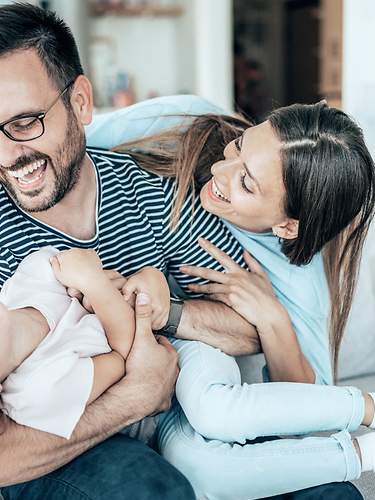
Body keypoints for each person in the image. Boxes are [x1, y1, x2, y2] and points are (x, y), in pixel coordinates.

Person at [0, 4, 366, 500]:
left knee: (328, 494)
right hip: (61, 446)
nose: (7, 155)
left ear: (81, 103)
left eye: (25, 123)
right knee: (146, 486)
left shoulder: (152, 194)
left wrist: (167, 312)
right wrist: (134, 396)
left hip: (173, 416)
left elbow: (243, 324)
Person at [105, 103, 375, 498]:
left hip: (198, 381)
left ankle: (362, 445)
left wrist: (272, 320)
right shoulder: (188, 119)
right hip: (158, 374)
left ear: (286, 225)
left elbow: (307, 415)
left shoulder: (298, 279)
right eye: (238, 147)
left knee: (209, 460)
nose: (220, 172)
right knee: (196, 467)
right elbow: (71, 139)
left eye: (247, 184)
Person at [0, 246, 170, 442]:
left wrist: (148, 276)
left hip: (160, 335)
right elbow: (126, 357)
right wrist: (93, 283)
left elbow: (90, 261)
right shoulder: (38, 388)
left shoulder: (32, 273)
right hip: (153, 419)